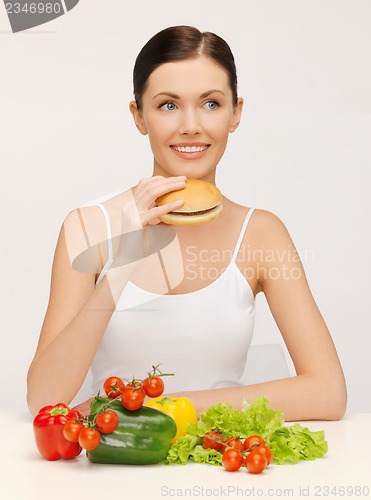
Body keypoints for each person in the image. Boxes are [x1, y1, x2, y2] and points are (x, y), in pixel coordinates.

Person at [27, 25, 347, 420]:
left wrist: (161, 409)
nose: (191, 125)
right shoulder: (87, 227)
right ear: (139, 116)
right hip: (112, 470)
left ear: (236, 113)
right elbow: (43, 399)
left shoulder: (262, 233)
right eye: (168, 105)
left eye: (211, 104)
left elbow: (328, 392)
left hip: (225, 468)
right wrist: (121, 263)